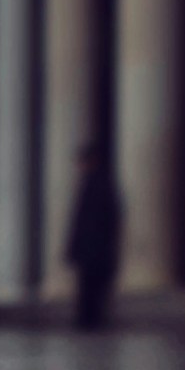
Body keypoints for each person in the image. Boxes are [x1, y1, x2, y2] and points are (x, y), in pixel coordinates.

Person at [65, 142, 123, 331]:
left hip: (93, 249)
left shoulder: (96, 183)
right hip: (93, 249)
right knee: (91, 288)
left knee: (91, 287)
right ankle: (89, 320)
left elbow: (87, 221)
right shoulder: (96, 182)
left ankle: (89, 321)